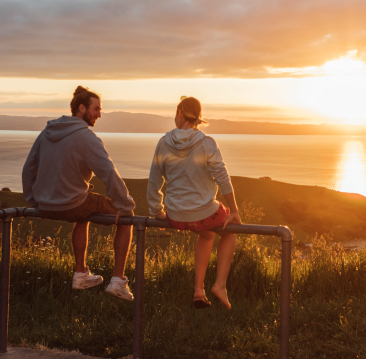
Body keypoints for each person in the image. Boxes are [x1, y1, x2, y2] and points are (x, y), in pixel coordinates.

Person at [22, 86, 136, 301]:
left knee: (83, 212)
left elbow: (29, 168)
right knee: (127, 218)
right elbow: (108, 172)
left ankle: (81, 274)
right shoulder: (87, 138)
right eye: (96, 109)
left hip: (46, 205)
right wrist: (125, 204)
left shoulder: (46, 133)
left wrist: (34, 202)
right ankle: (118, 281)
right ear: (81, 108)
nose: (99, 114)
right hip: (72, 203)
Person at [147, 96, 240, 310]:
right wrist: (234, 210)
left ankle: (199, 290)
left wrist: (157, 211)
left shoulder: (163, 143)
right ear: (197, 118)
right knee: (230, 231)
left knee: (207, 235)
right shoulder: (207, 143)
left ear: (180, 112)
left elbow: (154, 181)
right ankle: (220, 285)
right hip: (205, 214)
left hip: (176, 216)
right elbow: (222, 177)